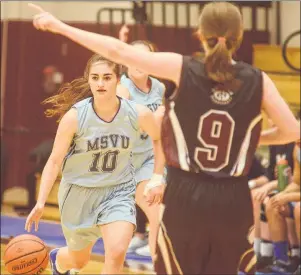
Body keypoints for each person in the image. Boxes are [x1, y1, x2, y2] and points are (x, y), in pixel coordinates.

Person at [28, 2, 300, 274]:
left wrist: (59, 26)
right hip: (233, 197)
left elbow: (117, 51)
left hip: (187, 191)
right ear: (239, 36)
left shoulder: (183, 68)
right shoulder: (258, 80)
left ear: (199, 33)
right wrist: (246, 140)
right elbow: (291, 131)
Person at [25, 54, 164, 275]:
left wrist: (157, 177)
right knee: (78, 261)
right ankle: (59, 261)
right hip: (79, 194)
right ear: (88, 80)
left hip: (118, 192)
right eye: (95, 77)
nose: (100, 83)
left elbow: (160, 139)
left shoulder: (138, 114)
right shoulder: (75, 117)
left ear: (119, 80)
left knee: (117, 252)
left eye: (107, 77)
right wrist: (41, 201)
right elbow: (54, 161)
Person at [117, 39, 165, 258]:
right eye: (132, 56)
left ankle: (157, 251)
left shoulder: (159, 87)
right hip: (129, 163)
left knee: (162, 211)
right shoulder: (122, 89)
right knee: (155, 211)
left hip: (154, 158)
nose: (137, 62)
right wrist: (147, 121)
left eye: (142, 57)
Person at [259, 142, 300, 274]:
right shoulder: (297, 148)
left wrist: (290, 197)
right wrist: (282, 195)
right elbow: (297, 183)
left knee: (299, 209)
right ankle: (281, 261)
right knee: (273, 203)